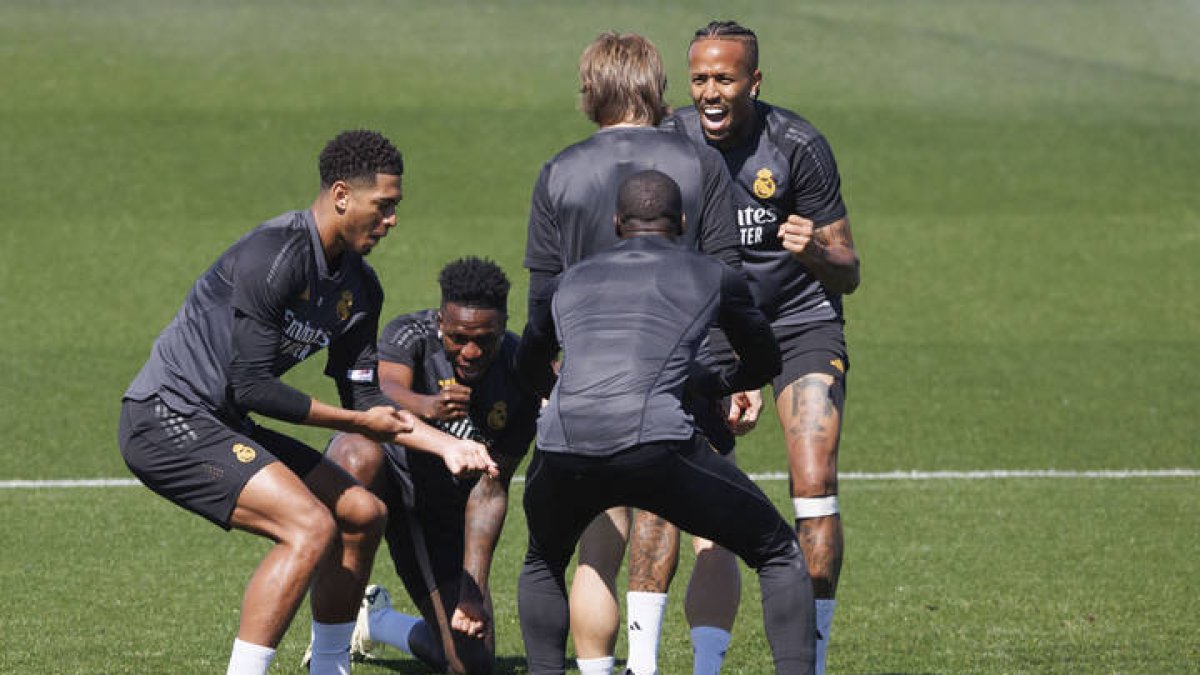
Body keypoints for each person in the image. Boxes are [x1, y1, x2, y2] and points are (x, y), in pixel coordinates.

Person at [117, 130, 497, 675]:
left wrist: (444, 446)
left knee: (363, 514)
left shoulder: (360, 288)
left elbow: (365, 396)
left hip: (223, 422)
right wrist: (355, 420)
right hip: (165, 418)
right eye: (383, 206)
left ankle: (329, 666)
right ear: (341, 195)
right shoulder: (273, 257)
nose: (392, 220)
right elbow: (252, 386)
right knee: (311, 528)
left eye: (395, 207)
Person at [516, 169, 815, 675]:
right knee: (779, 552)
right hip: (654, 445)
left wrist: (569, 401)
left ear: (617, 223)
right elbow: (764, 360)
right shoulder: (712, 274)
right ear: (683, 222)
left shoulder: (567, 280)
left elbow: (527, 365)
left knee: (544, 560)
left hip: (562, 444)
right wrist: (713, 384)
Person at [520, 30, 750, 675]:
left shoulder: (559, 170)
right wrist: (735, 377)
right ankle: (705, 668)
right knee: (714, 531)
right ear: (657, 88)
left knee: (598, 544)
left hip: (588, 379)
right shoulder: (700, 164)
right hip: (685, 370)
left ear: (591, 90)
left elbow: (542, 298)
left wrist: (550, 381)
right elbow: (727, 276)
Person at [661, 20, 863, 674]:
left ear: (754, 81)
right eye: (699, 78)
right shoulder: (669, 141)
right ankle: (663, 659)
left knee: (814, 481)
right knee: (676, 489)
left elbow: (849, 271)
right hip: (709, 328)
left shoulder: (798, 145)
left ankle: (812, 660)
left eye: (724, 78)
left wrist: (816, 252)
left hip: (800, 322)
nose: (709, 92)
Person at [307, 256, 540, 674]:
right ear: (440, 322)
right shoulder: (410, 332)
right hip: (383, 476)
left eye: (484, 340)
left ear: (503, 326)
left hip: (437, 513)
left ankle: (379, 622)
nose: (471, 352)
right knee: (356, 453)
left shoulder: (518, 370)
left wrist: (473, 589)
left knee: (473, 665)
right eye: (458, 338)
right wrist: (427, 405)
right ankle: (328, 643)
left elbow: (491, 489)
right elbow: (383, 390)